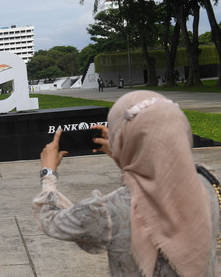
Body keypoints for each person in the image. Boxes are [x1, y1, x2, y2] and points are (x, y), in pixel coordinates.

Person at [32, 90, 220, 276]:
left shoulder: (110, 210)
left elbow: (52, 220)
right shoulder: (210, 182)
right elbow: (158, 179)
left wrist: (48, 173)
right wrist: (124, 158)